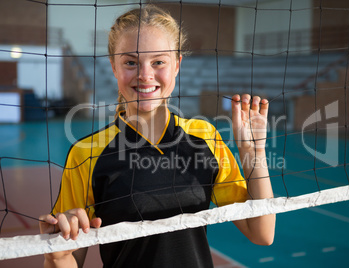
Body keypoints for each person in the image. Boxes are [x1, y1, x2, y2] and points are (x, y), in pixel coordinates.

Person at [39, 5, 275, 268]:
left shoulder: (206, 137)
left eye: (158, 62)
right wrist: (56, 255)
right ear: (114, 68)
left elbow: (262, 233)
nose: (145, 75)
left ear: (177, 66)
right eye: (130, 62)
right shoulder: (87, 153)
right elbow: (70, 262)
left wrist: (255, 155)